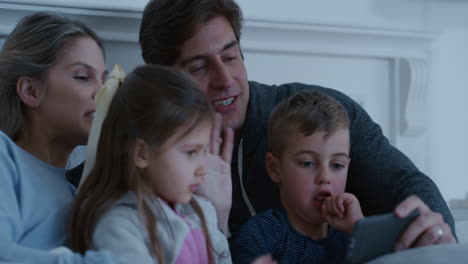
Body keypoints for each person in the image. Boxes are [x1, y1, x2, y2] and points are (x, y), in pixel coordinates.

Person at [139, 0, 457, 250]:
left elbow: (406, 184)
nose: (225, 80)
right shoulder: (151, 153)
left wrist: (437, 230)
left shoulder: (324, 113)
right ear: (167, 82)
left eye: (231, 56)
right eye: (199, 67)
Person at [70, 64, 276, 264]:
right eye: (191, 152)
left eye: (204, 151)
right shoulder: (119, 227)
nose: (203, 168)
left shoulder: (201, 210)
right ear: (142, 153)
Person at [0, 12, 119, 263]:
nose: (102, 93)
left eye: (105, 80)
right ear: (31, 91)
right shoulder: (4, 159)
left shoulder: (75, 195)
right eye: (83, 77)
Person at [234, 90, 364, 263]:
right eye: (308, 163)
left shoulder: (352, 232)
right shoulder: (260, 236)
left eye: (337, 165)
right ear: (274, 168)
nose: (325, 177)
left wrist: (360, 231)